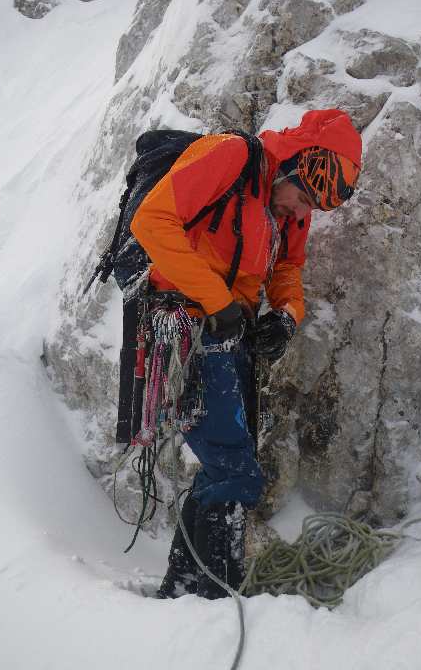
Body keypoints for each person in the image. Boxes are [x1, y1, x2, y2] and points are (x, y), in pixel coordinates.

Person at [129, 108, 362, 599]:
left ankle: (185, 588)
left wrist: (287, 315)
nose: (300, 214)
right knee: (233, 468)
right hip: (188, 326)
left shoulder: (288, 204)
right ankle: (217, 596)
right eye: (302, 198)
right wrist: (218, 301)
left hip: (228, 333)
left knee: (228, 463)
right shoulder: (230, 156)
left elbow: (287, 269)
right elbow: (152, 221)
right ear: (293, 164)